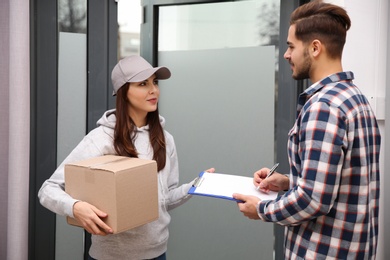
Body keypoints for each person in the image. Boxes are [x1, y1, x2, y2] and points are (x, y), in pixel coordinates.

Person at [233, 1, 381, 259]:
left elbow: (313, 201)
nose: (286, 54)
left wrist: (261, 209)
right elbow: (337, 183)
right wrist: (289, 182)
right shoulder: (355, 98)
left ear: (314, 48)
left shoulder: (324, 107)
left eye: (291, 46)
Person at [38, 55, 214, 260]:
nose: (153, 90)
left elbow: (163, 200)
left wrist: (195, 186)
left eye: (155, 82)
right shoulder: (101, 139)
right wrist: (76, 208)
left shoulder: (165, 139)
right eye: (142, 84)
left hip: (157, 253)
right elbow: (48, 190)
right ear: (123, 92)